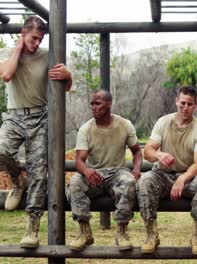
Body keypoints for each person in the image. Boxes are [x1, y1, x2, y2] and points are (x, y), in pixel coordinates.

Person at [0, 15, 72, 248]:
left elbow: (65, 86)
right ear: (23, 33)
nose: (36, 43)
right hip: (14, 116)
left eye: (40, 39)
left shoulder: (47, 56)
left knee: (39, 172)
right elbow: (7, 74)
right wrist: (19, 48)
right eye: (33, 38)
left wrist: (69, 76)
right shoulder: (6, 53)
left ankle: (32, 228)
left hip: (40, 117)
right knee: (0, 150)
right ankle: (18, 182)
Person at [137, 86, 197, 255]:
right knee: (145, 180)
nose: (185, 107)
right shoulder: (163, 122)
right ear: (176, 101)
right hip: (162, 175)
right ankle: (151, 234)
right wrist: (159, 154)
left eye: (190, 104)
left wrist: (183, 178)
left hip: (189, 177)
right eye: (182, 103)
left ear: (196, 105)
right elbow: (147, 151)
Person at [66, 89, 142, 251]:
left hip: (117, 172)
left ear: (109, 104)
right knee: (75, 182)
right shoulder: (86, 129)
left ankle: (121, 232)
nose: (94, 107)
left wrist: (136, 168)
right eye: (92, 104)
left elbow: (136, 151)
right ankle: (85, 232)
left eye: (98, 103)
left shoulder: (124, 124)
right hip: (95, 174)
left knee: (128, 181)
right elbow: (79, 160)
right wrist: (87, 171)